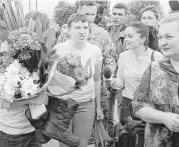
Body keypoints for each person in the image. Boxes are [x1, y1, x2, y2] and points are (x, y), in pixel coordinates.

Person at [58, 0, 118, 139]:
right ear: (78, 12)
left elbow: (110, 57)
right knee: (67, 135)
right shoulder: (66, 33)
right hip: (68, 93)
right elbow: (58, 60)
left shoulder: (102, 34)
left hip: (95, 88)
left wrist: (107, 72)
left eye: (93, 14)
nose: (90, 18)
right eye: (87, 14)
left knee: (97, 128)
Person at [53, 13, 103, 147]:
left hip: (86, 104)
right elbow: (51, 79)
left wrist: (98, 107)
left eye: (85, 27)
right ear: (69, 31)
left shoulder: (95, 51)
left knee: (82, 143)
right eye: (77, 27)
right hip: (63, 104)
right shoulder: (58, 50)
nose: (82, 31)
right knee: (64, 143)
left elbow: (97, 80)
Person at [132, 12, 179, 147]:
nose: (163, 42)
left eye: (168, 37)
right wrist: (164, 118)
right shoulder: (154, 68)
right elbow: (138, 106)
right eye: (160, 37)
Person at [104, 21, 163, 123]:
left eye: (130, 36)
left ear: (142, 39)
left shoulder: (157, 57)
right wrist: (112, 81)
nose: (126, 39)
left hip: (149, 106)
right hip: (128, 104)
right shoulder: (123, 56)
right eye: (126, 36)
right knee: (126, 137)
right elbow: (121, 82)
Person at [106, 2, 127, 135]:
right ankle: (107, 137)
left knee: (120, 113)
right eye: (114, 14)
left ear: (126, 17)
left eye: (120, 14)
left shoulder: (128, 34)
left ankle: (120, 138)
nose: (116, 17)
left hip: (121, 78)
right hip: (107, 77)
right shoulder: (105, 32)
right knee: (106, 110)